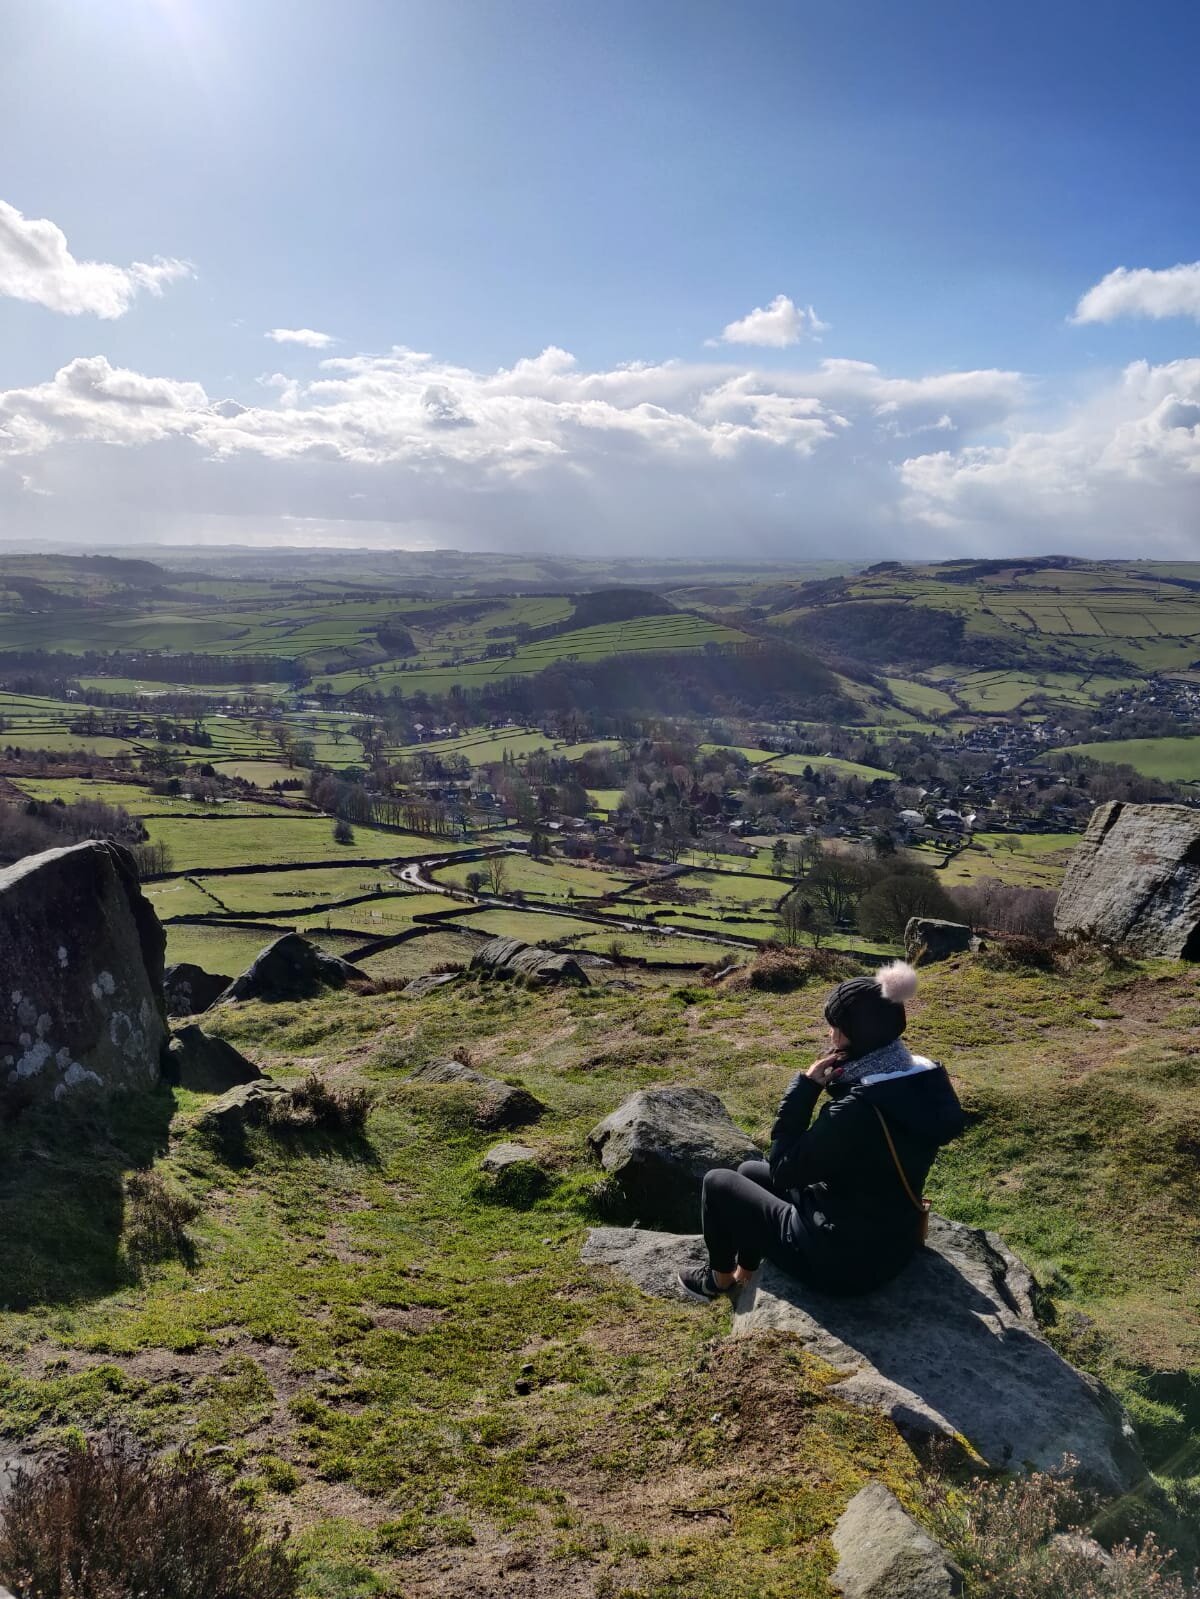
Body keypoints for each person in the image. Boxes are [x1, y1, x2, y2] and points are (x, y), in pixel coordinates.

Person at [678, 960, 965, 1302]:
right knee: (748, 1172)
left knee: (718, 1183)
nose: (830, 1034)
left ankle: (718, 1280)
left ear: (854, 1035)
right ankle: (748, 1270)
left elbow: (785, 1169)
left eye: (835, 1026)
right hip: (891, 1240)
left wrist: (804, 1090)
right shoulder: (917, 1080)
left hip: (840, 1261)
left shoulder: (859, 1109)